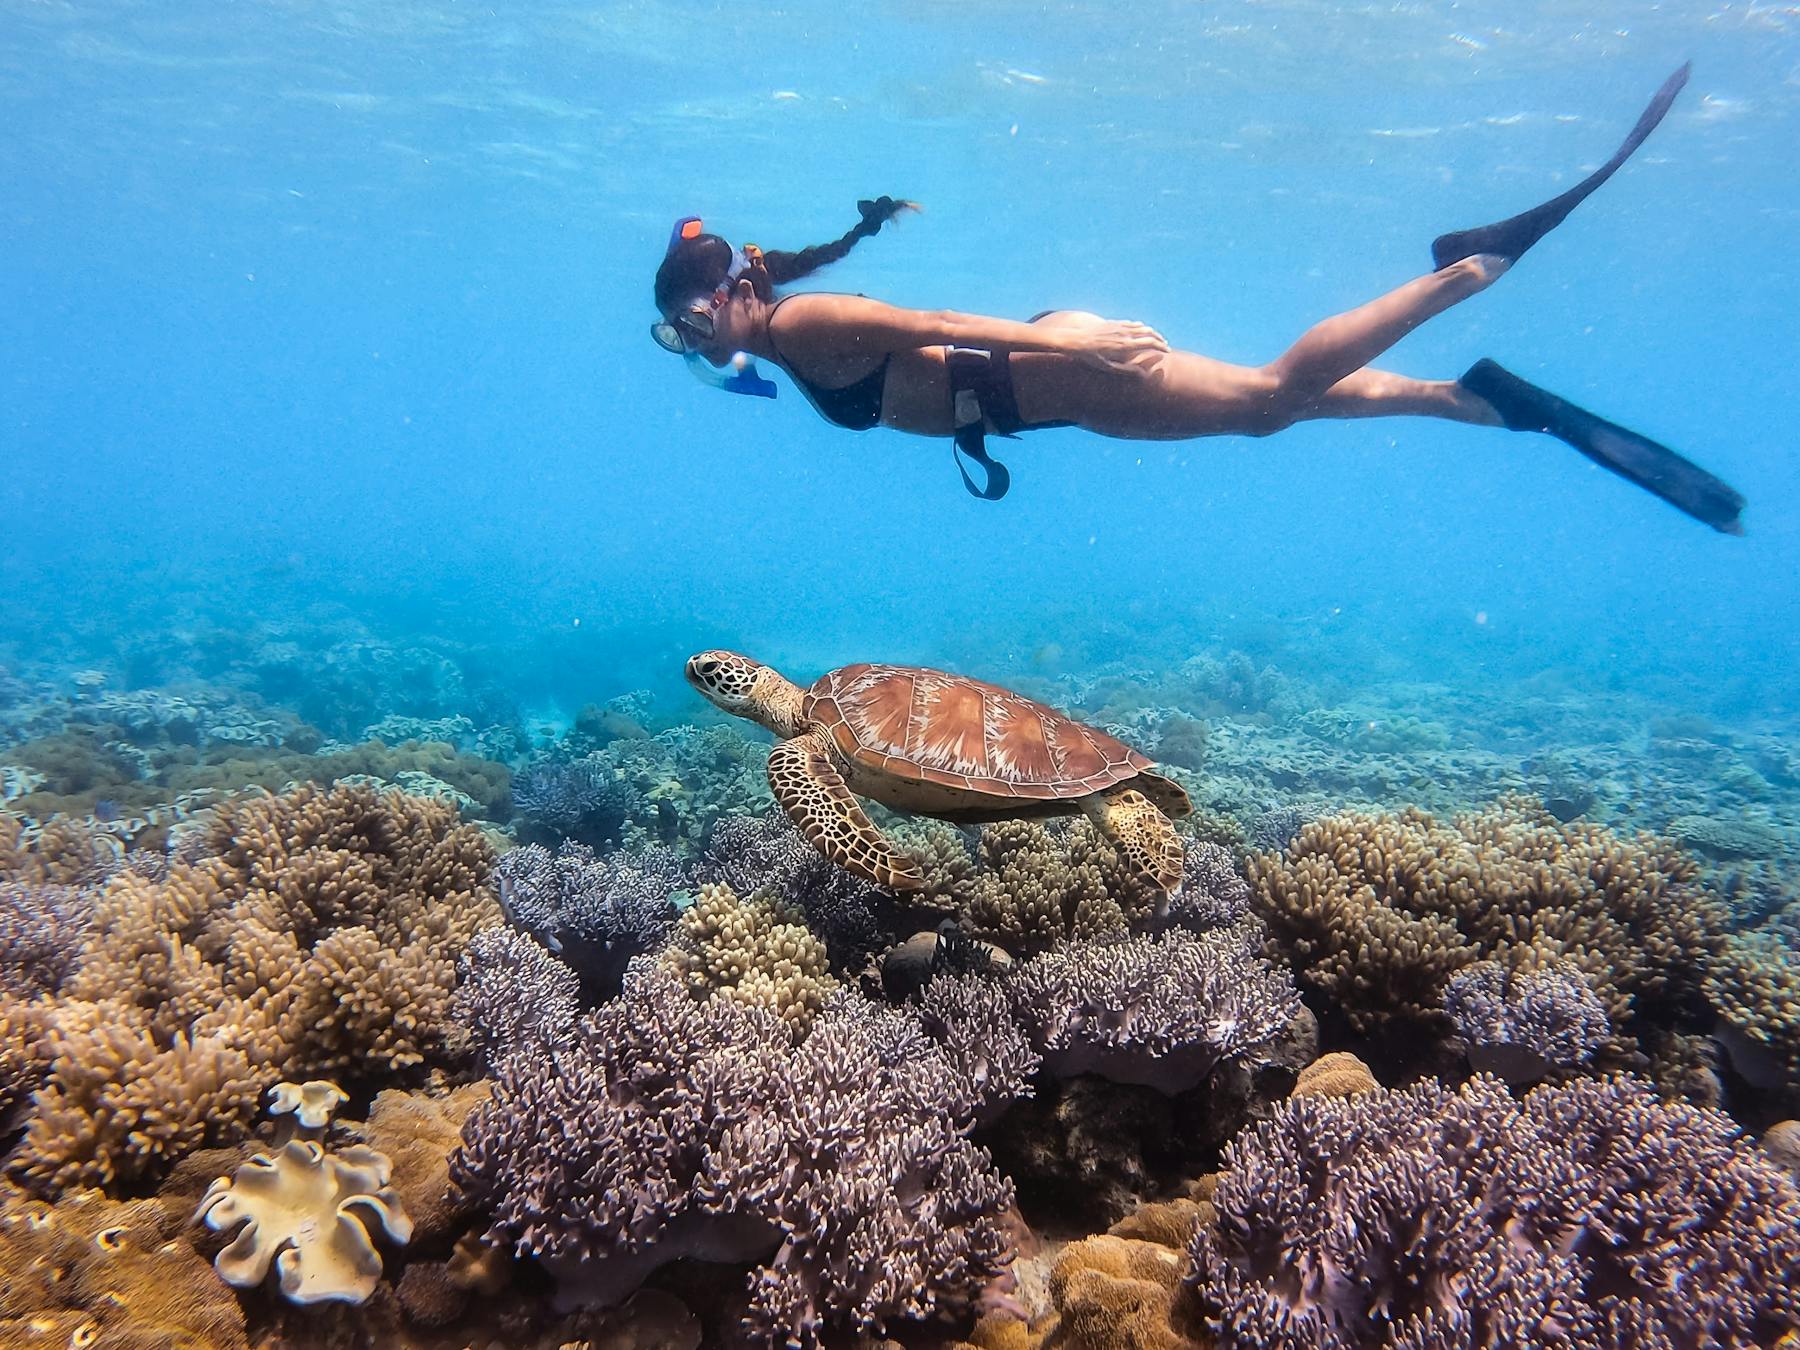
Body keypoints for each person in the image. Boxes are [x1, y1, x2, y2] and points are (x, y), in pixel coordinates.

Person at [650, 64, 1744, 533]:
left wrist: (1091, 353)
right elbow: (837, 360)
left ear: (737, 295)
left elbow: (938, 324)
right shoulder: (777, 340)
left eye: (697, 321)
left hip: (1043, 373)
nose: (693, 342)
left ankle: (1469, 267)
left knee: (1270, 397)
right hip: (1037, 385)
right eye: (675, 334)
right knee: (1277, 410)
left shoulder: (802, 323)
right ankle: (1482, 400)